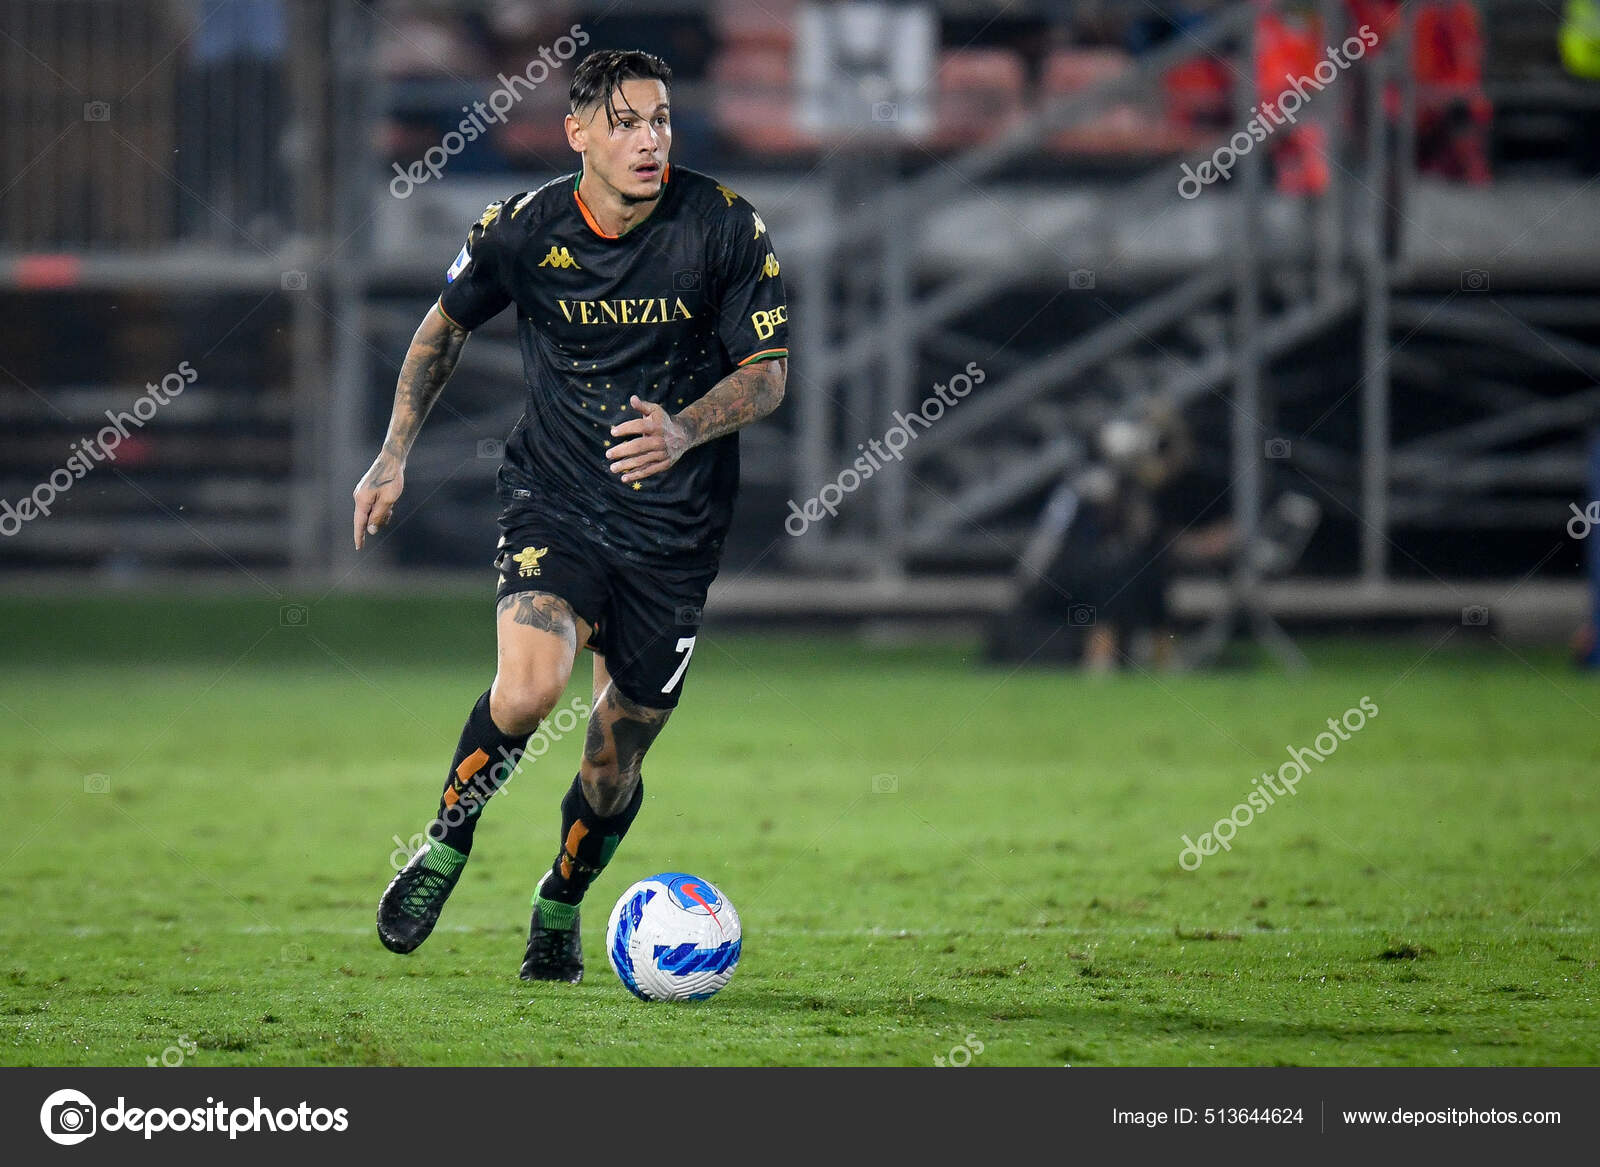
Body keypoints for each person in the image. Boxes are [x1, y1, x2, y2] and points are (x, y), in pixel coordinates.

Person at [353, 50, 789, 982]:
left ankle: (558, 905)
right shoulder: (523, 227)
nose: (649, 140)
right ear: (578, 132)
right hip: (557, 498)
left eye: (662, 119)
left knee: (610, 760)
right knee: (528, 690)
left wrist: (681, 428)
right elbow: (443, 328)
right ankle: (442, 851)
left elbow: (768, 375)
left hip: (675, 532)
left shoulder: (722, 226)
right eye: (627, 122)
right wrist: (392, 453)